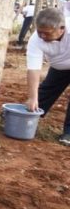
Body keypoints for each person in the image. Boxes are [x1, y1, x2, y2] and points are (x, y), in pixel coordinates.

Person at [25, 8, 70, 146]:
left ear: (61, 29)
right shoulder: (35, 39)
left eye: (47, 33)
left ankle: (68, 133)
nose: (43, 36)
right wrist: (33, 97)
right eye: (40, 32)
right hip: (59, 67)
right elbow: (33, 69)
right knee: (45, 91)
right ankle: (29, 117)